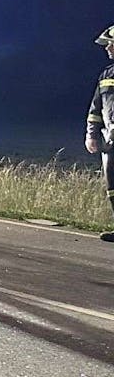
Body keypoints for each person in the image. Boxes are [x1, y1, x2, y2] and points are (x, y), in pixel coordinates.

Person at [87, 24, 114, 242]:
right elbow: (96, 109)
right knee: (112, 187)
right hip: (110, 142)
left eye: (110, 44)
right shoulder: (106, 74)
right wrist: (91, 135)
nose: (107, 49)